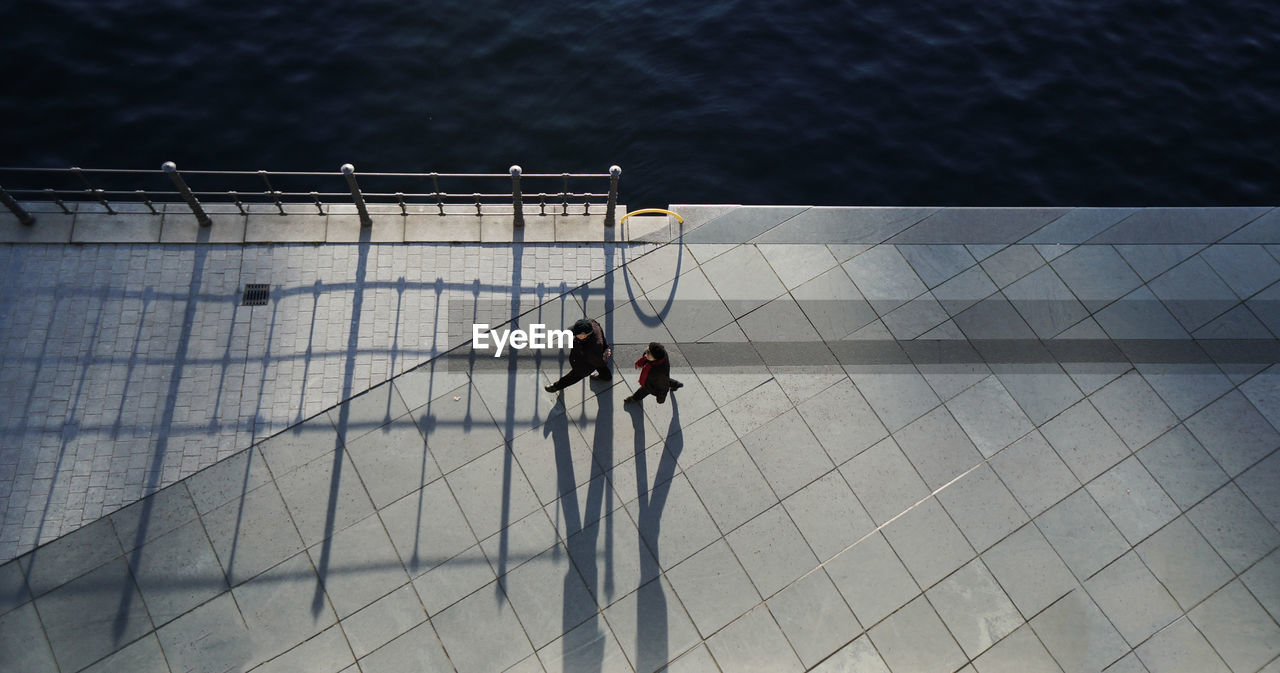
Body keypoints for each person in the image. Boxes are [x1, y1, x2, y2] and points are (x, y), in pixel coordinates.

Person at [544, 318, 612, 393]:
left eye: (576, 333)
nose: (573, 334)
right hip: (593, 356)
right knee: (599, 365)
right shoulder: (592, 323)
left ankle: (557, 386)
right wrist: (605, 347)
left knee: (574, 376)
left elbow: (598, 362)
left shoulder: (591, 350)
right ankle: (606, 376)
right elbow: (600, 333)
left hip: (585, 366)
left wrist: (603, 356)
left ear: (583, 335)